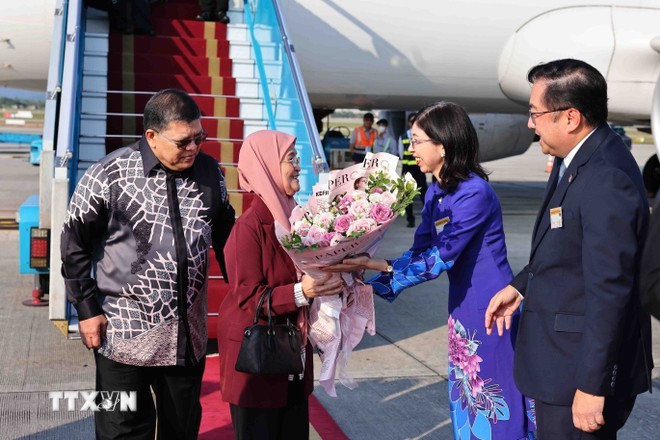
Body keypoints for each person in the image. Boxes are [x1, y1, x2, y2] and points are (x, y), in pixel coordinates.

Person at [327, 102, 536, 440]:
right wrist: (368, 278)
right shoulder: (437, 191)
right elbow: (420, 248)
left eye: (417, 141)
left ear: (443, 145)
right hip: (462, 306)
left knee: (493, 393)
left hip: (493, 306)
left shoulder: (474, 193)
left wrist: (378, 266)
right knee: (466, 393)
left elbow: (443, 255)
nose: (411, 149)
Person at [485, 59, 653, 439]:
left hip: (578, 373)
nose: (530, 123)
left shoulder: (605, 177)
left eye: (535, 113)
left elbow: (611, 290)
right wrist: (521, 285)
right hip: (561, 363)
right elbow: (567, 243)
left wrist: (592, 386)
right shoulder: (578, 159)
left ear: (570, 117)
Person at [60, 89, 235, 439]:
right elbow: (73, 246)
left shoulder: (210, 173)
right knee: (120, 430)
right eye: (184, 141)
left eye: (199, 137)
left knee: (181, 429)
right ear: (152, 136)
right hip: (121, 334)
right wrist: (86, 309)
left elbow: (227, 239)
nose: (194, 148)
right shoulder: (107, 174)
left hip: (187, 339)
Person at [217, 130, 344, 439]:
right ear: (266, 167)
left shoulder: (295, 220)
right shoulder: (248, 228)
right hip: (256, 360)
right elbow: (249, 298)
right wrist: (305, 291)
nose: (298, 166)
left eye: (297, 159)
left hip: (289, 356)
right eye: (291, 159)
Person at [399, 112, 428, 227]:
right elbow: (401, 153)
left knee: (424, 194)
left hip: (419, 168)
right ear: (408, 123)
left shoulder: (424, 136)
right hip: (407, 169)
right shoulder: (403, 137)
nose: (414, 123)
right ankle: (410, 219)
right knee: (407, 196)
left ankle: (428, 217)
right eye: (412, 121)